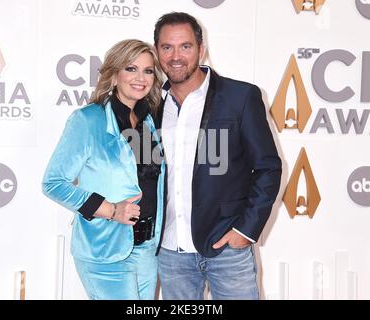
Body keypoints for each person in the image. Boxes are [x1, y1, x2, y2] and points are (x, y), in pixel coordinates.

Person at [153, 12, 282, 300]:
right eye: (167, 47)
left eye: (185, 46)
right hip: (171, 252)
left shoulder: (241, 97)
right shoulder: (151, 105)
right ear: (157, 52)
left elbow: (268, 168)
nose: (176, 56)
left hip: (227, 248)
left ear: (201, 49)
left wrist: (245, 232)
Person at [42, 39, 165, 300]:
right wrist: (110, 210)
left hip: (147, 249)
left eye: (148, 70)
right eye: (131, 69)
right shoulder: (87, 120)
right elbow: (53, 182)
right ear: (113, 75)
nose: (140, 78)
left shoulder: (149, 121)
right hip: (105, 250)